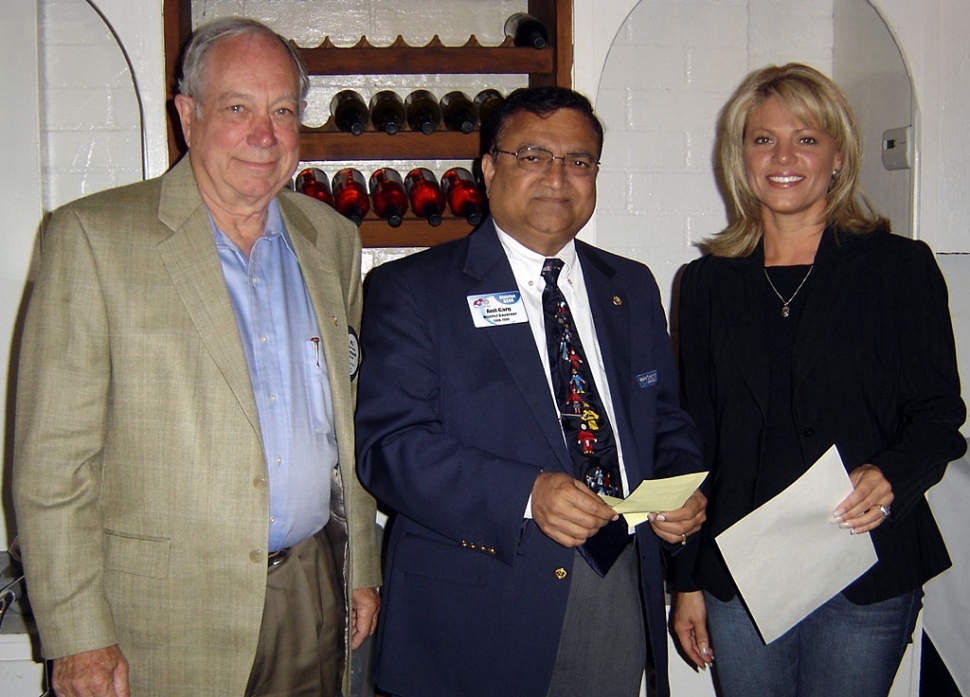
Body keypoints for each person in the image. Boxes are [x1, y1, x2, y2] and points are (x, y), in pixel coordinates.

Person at [13, 17, 381, 697]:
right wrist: (77, 634)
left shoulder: (330, 241)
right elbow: (51, 466)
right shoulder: (93, 240)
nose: (263, 135)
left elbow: (345, 425)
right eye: (238, 108)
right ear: (188, 115)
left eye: (281, 111)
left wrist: (361, 563)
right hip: (158, 617)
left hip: (311, 587)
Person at [354, 86, 707, 697]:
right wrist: (527, 492)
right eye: (532, 155)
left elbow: (664, 421)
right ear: (489, 168)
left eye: (578, 161)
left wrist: (681, 490)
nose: (557, 177)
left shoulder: (631, 285)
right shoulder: (412, 290)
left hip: (614, 585)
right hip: (476, 606)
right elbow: (390, 448)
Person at [671, 63, 966, 696]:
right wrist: (686, 579)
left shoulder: (898, 269)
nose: (783, 156)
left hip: (866, 566)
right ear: (740, 155)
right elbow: (693, 440)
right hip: (739, 574)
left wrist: (889, 476)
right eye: (762, 139)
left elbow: (940, 416)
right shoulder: (704, 285)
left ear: (837, 154)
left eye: (806, 138)